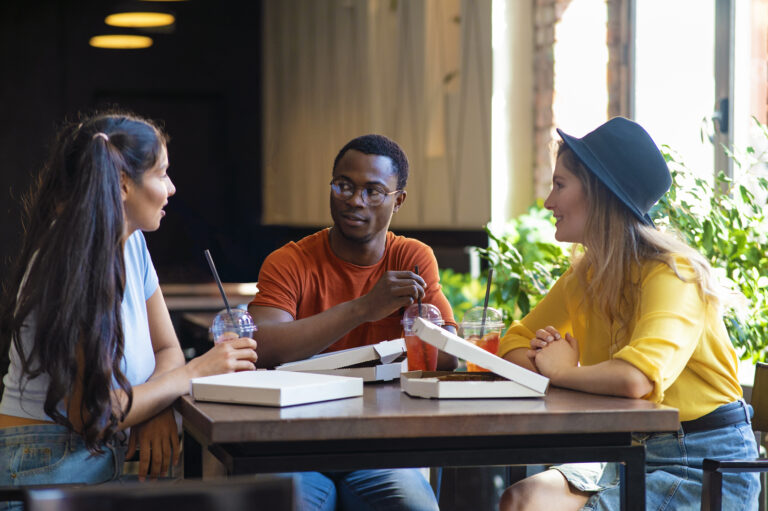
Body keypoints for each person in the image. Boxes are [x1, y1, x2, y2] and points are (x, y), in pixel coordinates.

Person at [497, 117, 759, 511]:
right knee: (521, 500)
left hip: (703, 464)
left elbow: (636, 378)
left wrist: (561, 371)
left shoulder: (674, 273)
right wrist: (548, 360)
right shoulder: (584, 276)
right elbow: (511, 343)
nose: (549, 202)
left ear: (598, 194)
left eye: (560, 185)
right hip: (629, 451)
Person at [0, 112, 258, 508]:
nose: (171, 188)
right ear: (123, 184)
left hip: (92, 454)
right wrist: (193, 374)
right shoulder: (74, 257)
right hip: (45, 458)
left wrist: (151, 407)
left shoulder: (131, 242)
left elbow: (167, 349)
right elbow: (93, 414)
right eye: (162, 174)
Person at [249, 134, 456, 511]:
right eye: (344, 185)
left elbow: (447, 357)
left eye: (373, 191)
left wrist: (424, 328)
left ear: (398, 200)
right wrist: (363, 309)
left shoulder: (410, 258)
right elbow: (262, 347)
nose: (355, 200)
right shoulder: (290, 262)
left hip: (383, 448)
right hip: (295, 446)